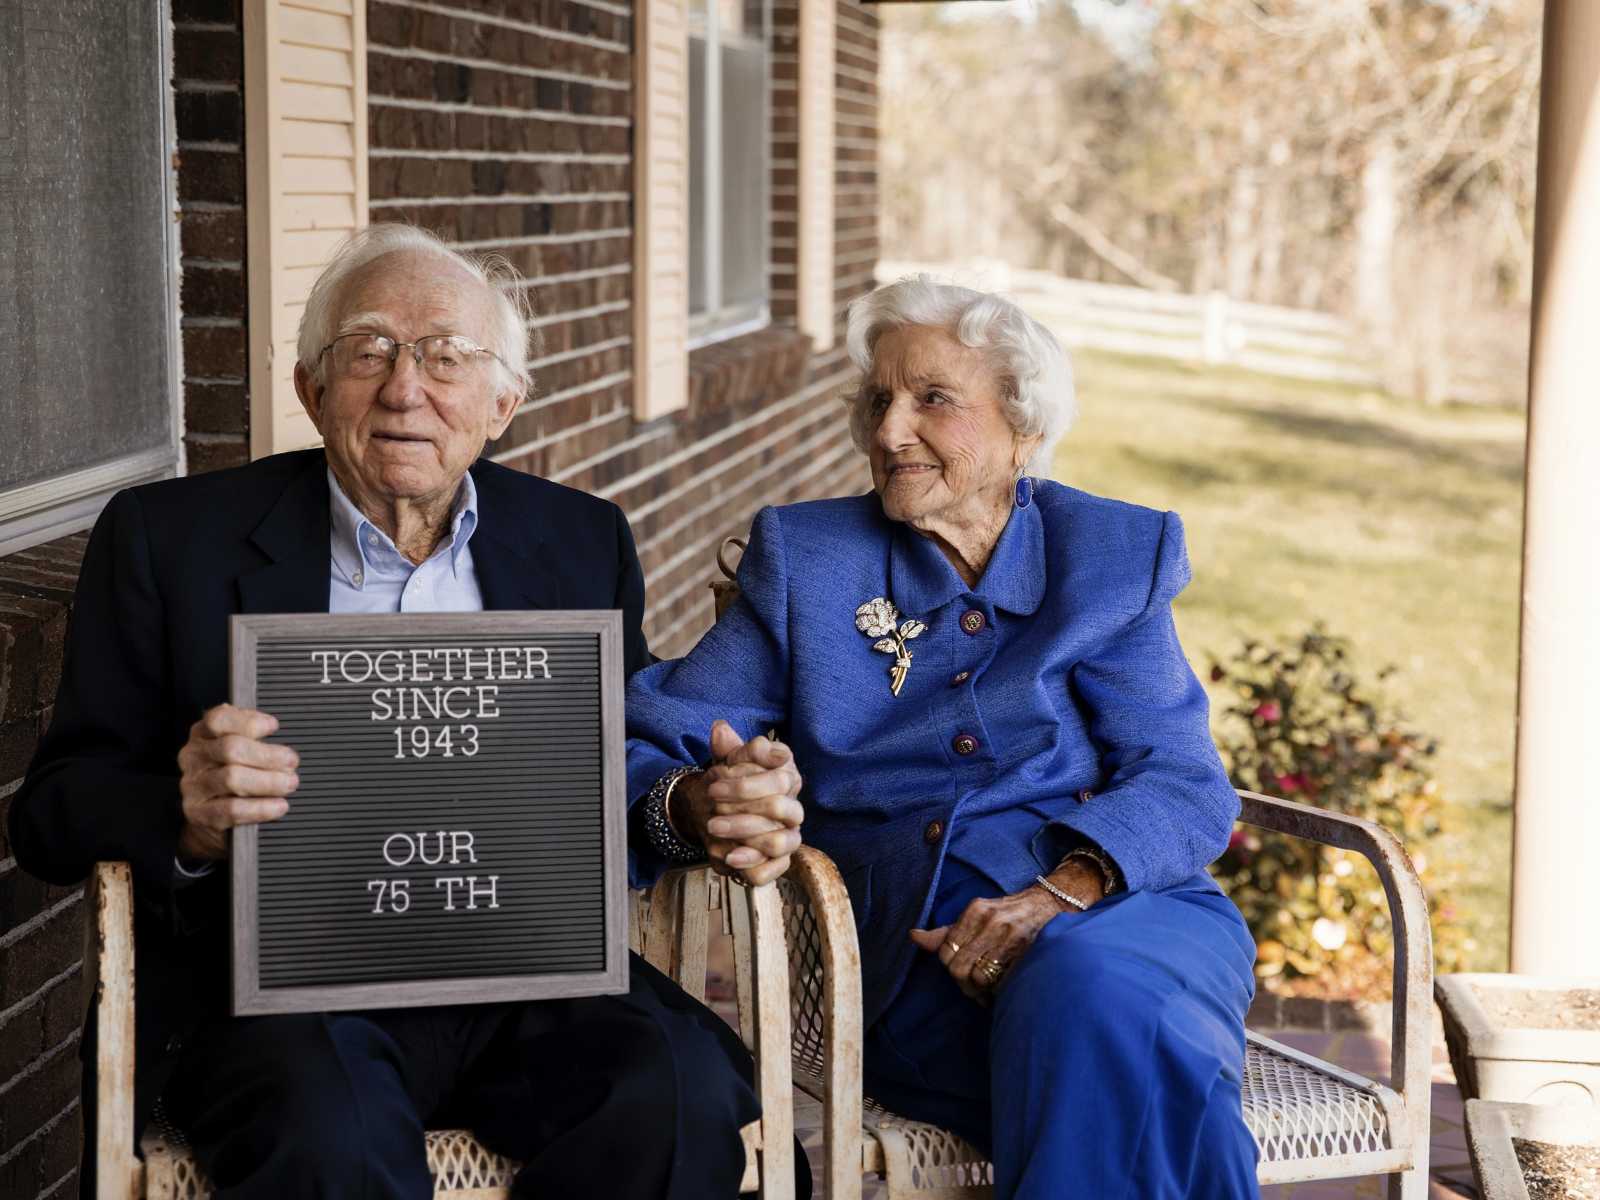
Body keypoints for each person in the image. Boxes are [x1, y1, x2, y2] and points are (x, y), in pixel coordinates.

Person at [7, 224, 775, 1199]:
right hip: (274, 991)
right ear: (310, 390)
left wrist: (695, 803)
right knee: (331, 1136)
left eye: (446, 357)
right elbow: (52, 812)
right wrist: (184, 815)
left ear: (503, 403)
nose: (405, 387)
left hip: (522, 971)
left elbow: (613, 773)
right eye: (367, 351)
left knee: (675, 1095)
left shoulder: (577, 541)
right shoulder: (169, 542)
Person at [625, 277, 1261, 1199]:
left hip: (1133, 904)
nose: (889, 432)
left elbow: (1184, 779)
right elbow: (656, 736)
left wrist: (1063, 890)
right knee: (1139, 1051)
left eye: (933, 400)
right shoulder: (809, 561)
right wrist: (699, 801)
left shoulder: (1111, 556)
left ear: (1022, 429)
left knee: (1098, 995)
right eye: (879, 401)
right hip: (935, 963)